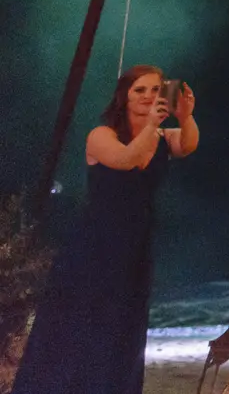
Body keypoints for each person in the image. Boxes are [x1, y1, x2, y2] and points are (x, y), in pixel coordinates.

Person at [15, 65, 199, 394]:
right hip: (96, 244)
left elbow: (188, 144)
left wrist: (185, 117)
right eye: (139, 90)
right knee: (83, 324)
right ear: (124, 96)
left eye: (156, 90)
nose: (148, 97)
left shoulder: (160, 138)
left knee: (123, 326)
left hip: (135, 245)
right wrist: (152, 125)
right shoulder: (102, 136)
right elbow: (127, 158)